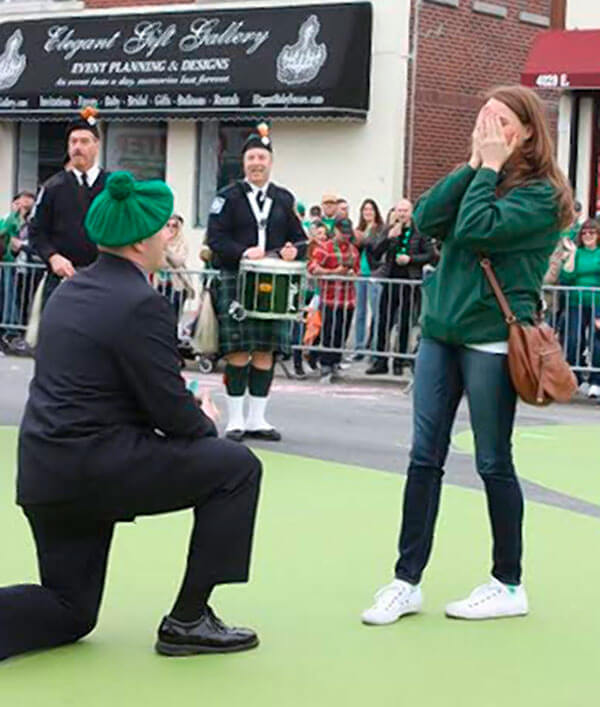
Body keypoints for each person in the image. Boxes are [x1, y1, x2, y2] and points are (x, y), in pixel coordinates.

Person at [0, 171, 262, 662]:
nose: (170, 235)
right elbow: (172, 414)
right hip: (95, 467)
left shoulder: (68, 292)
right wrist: (204, 416)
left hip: (46, 473)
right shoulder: (142, 303)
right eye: (165, 227)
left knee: (70, 610)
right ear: (141, 240)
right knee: (237, 467)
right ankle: (189, 620)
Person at [362, 85, 573, 625]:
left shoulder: (542, 195)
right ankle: (405, 581)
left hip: (492, 337)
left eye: (500, 120)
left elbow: (479, 228)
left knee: (492, 460)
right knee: (422, 457)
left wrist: (484, 173)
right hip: (440, 331)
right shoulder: (478, 174)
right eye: (482, 118)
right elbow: (428, 218)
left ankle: (508, 582)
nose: (487, 128)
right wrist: (475, 166)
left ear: (526, 132)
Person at [206, 124, 306, 442]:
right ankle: (235, 420)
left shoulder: (283, 198)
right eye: (251, 157)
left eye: (262, 157)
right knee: (237, 350)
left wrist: (293, 250)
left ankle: (257, 419)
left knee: (266, 351)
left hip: (273, 284)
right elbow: (216, 240)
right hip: (236, 278)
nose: (256, 163)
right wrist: (243, 252)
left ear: (270, 161)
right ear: (243, 162)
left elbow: (301, 240)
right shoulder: (227, 197)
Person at [29, 107, 109, 308]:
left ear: (96, 145)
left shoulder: (111, 186)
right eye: (73, 142)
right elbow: (36, 232)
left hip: (105, 280)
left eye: (84, 141)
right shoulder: (52, 187)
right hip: (62, 282)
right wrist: (52, 257)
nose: (77, 147)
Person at [366, 199, 434, 376]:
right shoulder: (390, 230)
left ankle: (399, 361)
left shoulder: (420, 232)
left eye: (405, 211)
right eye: (399, 211)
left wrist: (410, 260)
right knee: (383, 322)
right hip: (390, 281)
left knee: (404, 323)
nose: (402, 214)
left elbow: (430, 255)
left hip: (409, 283)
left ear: (411, 212)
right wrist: (389, 239)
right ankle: (380, 361)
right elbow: (375, 252)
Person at [307, 218, 360, 383]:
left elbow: (357, 270)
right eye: (342, 233)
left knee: (342, 333)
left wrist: (353, 274)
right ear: (335, 230)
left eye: (347, 233)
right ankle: (325, 365)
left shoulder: (353, 250)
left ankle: (335, 362)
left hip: (348, 299)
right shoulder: (325, 248)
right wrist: (333, 272)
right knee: (329, 332)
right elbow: (312, 267)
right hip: (330, 298)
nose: (345, 236)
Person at [560, 219, 600, 397]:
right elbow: (566, 277)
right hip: (575, 303)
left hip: (597, 303)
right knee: (573, 340)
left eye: (592, 232)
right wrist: (571, 255)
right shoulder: (576, 253)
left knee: (596, 341)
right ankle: (574, 378)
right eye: (584, 233)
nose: (588, 236)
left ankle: (596, 380)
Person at [0, 191, 35, 347]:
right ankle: (10, 328)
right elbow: (4, 231)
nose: (26, 201)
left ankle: (15, 328)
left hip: (26, 265)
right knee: (9, 296)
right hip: (11, 262)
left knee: (20, 297)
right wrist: (15, 214)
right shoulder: (9, 218)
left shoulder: (33, 220)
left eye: (30, 198)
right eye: (23, 198)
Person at [353, 198, 385, 360]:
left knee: (376, 312)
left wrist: (364, 239)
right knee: (360, 312)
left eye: (370, 209)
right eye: (365, 209)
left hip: (374, 273)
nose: (368, 212)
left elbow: (378, 248)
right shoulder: (358, 229)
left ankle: (374, 348)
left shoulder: (380, 229)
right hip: (360, 273)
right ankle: (359, 347)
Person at [154, 213, 195, 325]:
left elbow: (178, 261)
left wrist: (166, 249)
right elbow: (157, 262)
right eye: (168, 225)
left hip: (178, 285)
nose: (171, 228)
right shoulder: (157, 242)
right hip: (160, 284)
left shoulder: (182, 242)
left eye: (174, 226)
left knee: (174, 316)